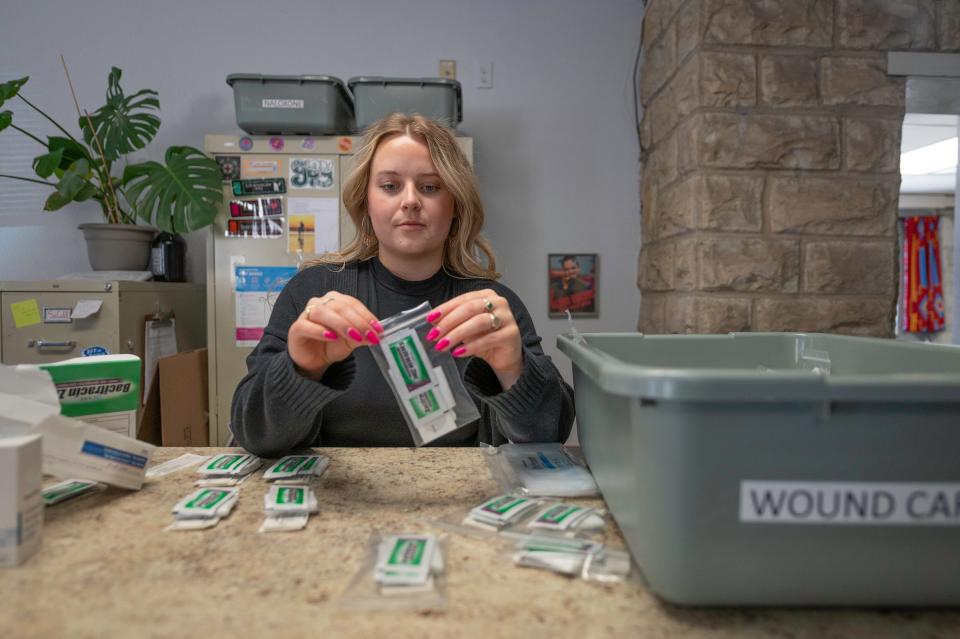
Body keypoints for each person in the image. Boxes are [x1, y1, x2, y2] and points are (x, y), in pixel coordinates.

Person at [231, 113, 575, 457]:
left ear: (454, 204)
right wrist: (300, 369)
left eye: (430, 187)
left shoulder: (491, 309)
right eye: (390, 186)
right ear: (366, 203)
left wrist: (514, 370)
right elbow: (254, 434)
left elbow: (550, 432)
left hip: (460, 502)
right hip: (336, 501)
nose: (410, 201)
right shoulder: (312, 295)